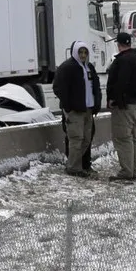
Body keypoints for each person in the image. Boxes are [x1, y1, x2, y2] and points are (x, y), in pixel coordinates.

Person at [53, 41, 102, 177]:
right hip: (75, 111)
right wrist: (68, 106)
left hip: (88, 109)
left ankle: (75, 163)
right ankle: (74, 168)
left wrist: (97, 103)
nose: (83, 55)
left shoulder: (89, 67)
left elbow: (96, 86)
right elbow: (58, 88)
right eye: (80, 52)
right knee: (76, 138)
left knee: (87, 138)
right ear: (75, 52)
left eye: (85, 52)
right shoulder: (67, 67)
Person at [106, 32, 136, 182]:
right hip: (134, 105)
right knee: (132, 139)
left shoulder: (122, 61)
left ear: (118, 44)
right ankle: (133, 171)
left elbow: (120, 83)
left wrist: (113, 99)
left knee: (123, 138)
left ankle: (126, 172)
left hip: (123, 107)